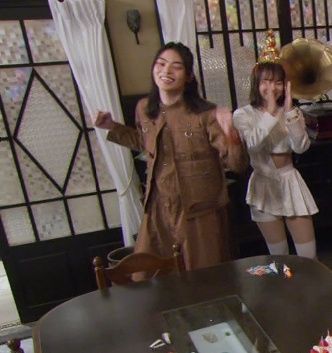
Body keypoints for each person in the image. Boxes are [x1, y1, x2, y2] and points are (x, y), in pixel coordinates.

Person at [94, 43, 248, 270]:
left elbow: (238, 164)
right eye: (161, 64)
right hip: (159, 207)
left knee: (204, 277)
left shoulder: (206, 114)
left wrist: (231, 133)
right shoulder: (144, 108)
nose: (166, 71)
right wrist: (112, 127)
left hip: (199, 211)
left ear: (189, 76)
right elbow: (145, 143)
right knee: (152, 275)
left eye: (176, 66)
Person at [232, 32, 318, 259]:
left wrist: (289, 112)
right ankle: (284, 284)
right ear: (257, 83)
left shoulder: (292, 112)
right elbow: (252, 144)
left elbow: (301, 147)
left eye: (278, 82)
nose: (272, 87)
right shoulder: (243, 114)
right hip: (263, 184)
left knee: (308, 256)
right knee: (279, 257)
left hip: (291, 182)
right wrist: (270, 112)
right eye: (266, 81)